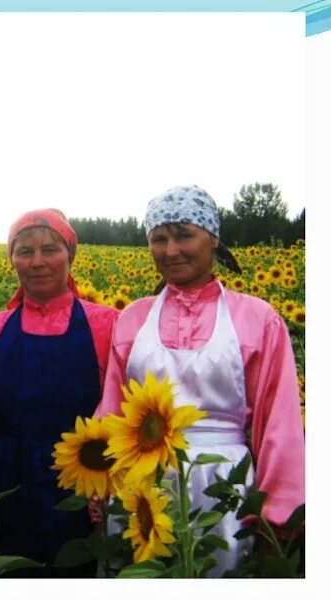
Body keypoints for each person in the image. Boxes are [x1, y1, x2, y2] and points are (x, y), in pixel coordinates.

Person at [93, 185, 305, 576]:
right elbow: (113, 411)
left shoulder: (257, 318)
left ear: (213, 238)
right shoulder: (133, 318)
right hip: (143, 488)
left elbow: (279, 425)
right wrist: (101, 487)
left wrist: (279, 514)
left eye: (184, 235)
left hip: (226, 486)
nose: (171, 251)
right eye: (159, 239)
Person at [0, 208, 119, 576]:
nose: (37, 261)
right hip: (8, 486)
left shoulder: (107, 324)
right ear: (11, 259)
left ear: (70, 255)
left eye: (50, 249)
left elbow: (121, 411)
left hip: (80, 484)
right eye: (24, 251)